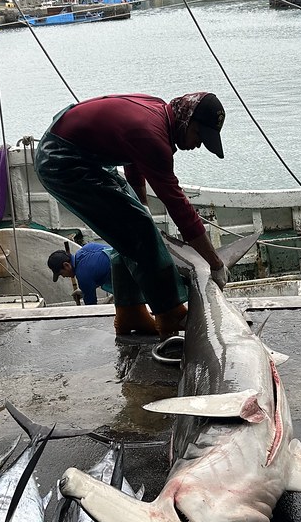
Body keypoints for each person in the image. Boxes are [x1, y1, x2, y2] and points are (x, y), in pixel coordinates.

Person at [34, 92, 228, 338]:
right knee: (140, 233)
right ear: (186, 120)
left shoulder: (159, 113)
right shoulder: (153, 137)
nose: (199, 145)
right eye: (199, 136)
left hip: (81, 152)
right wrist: (215, 263)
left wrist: (142, 204)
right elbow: (178, 208)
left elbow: (132, 157)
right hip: (61, 161)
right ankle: (169, 313)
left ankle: (130, 312)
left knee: (129, 230)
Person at [47, 242, 113, 305]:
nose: (64, 276)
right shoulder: (86, 248)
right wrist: (83, 290)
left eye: (61, 274)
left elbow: (91, 307)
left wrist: (85, 289)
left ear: (66, 265)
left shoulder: (82, 276)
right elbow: (97, 271)